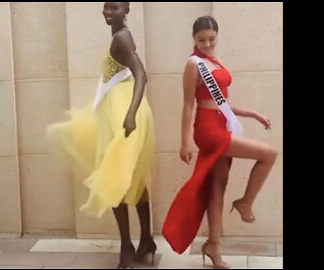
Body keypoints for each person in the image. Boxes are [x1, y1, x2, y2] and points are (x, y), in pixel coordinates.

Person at [162, 15, 277, 269]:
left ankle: (213, 245)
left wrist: (254, 114)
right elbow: (188, 105)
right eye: (201, 40)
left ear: (217, 36)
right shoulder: (194, 65)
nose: (206, 44)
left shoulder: (213, 62)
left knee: (216, 189)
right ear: (193, 39)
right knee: (268, 154)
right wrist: (184, 143)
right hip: (207, 130)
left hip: (219, 122)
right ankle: (245, 203)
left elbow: (222, 104)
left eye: (211, 39)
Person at [46, 2, 156, 269]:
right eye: (106, 7)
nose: (108, 12)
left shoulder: (121, 37)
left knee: (115, 179)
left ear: (126, 9)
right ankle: (145, 242)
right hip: (117, 109)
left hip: (123, 111)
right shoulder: (119, 36)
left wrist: (130, 113)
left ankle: (128, 247)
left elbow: (141, 74)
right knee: (133, 178)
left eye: (114, 7)